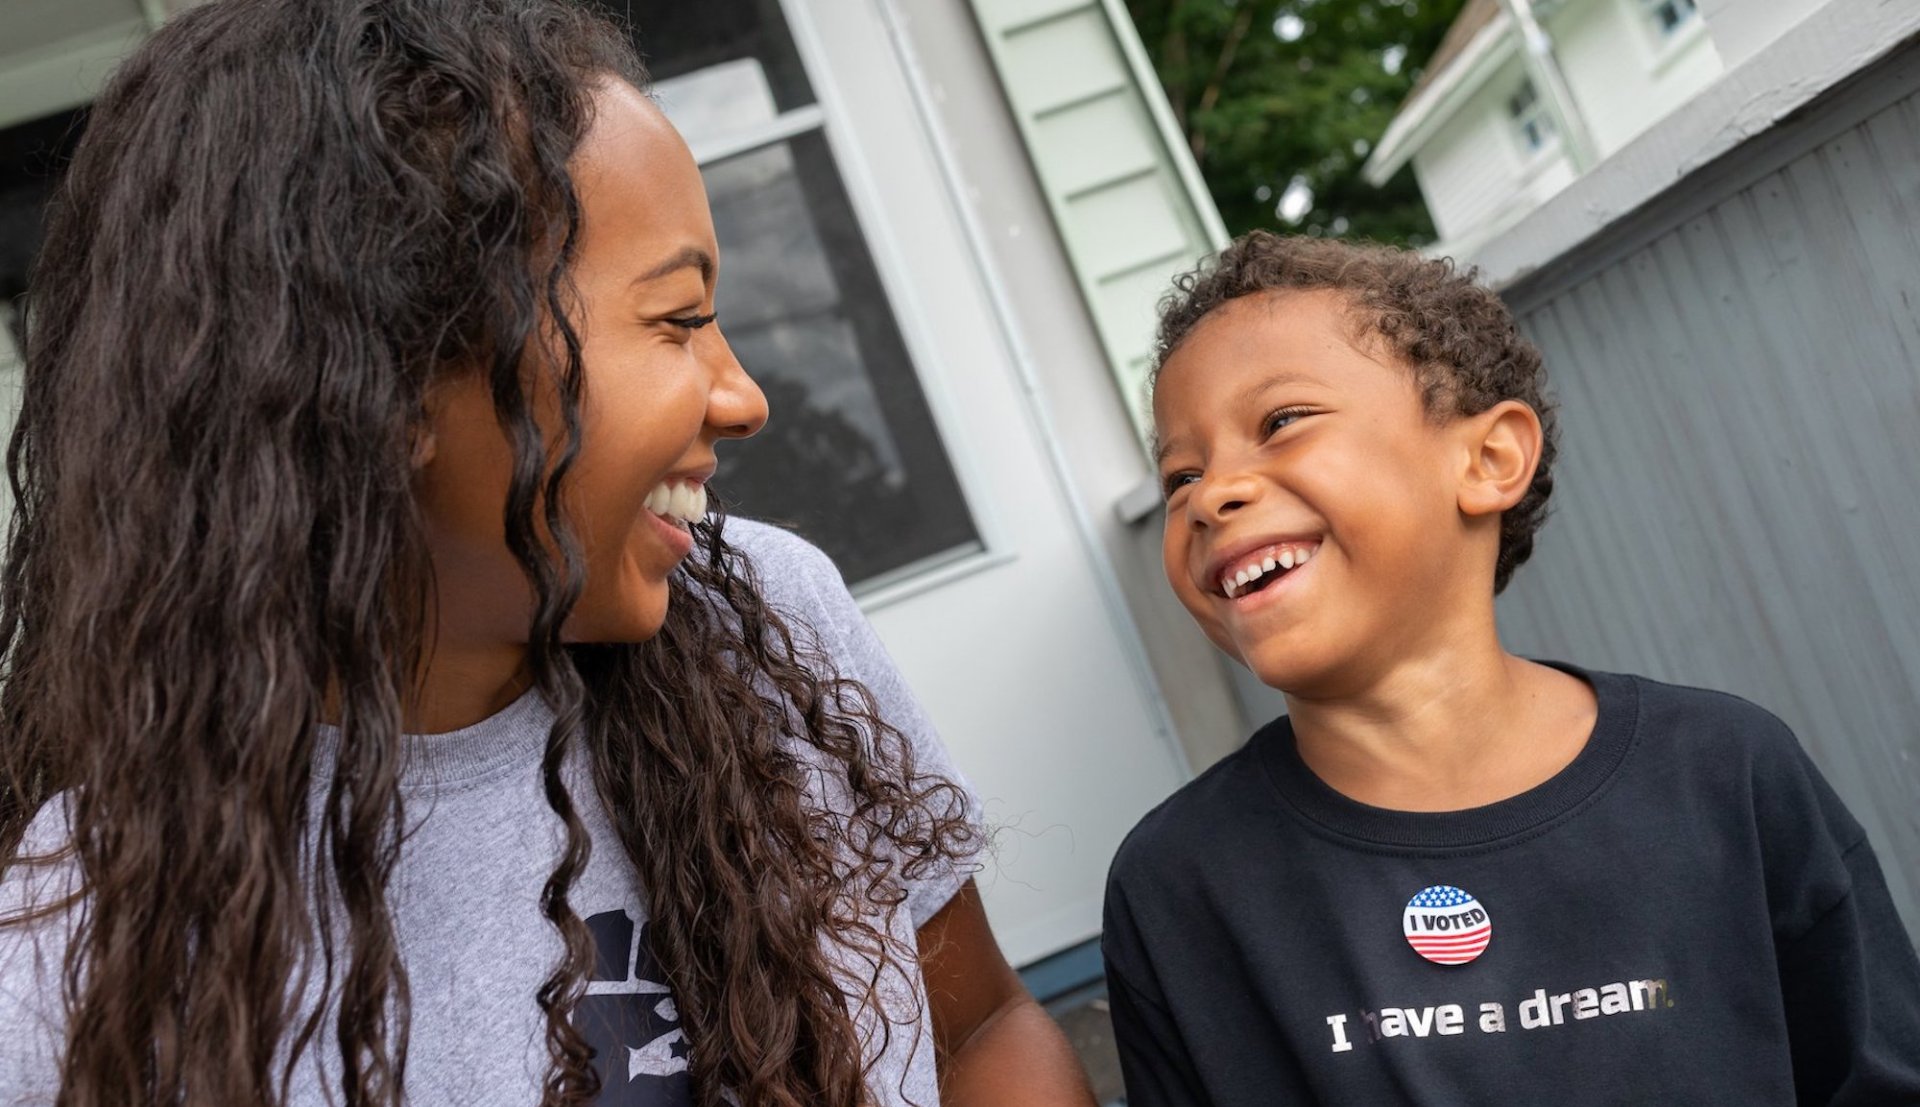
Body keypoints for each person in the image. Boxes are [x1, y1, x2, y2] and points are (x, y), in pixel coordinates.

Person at [0, 2, 1096, 1105]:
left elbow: (984, 1024)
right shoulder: (75, 955)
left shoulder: (765, 623)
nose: (744, 395)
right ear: (386, 379)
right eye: (675, 319)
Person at [1103, 231, 1920, 1105]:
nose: (1211, 494)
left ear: (1489, 460)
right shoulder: (1178, 885)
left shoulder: (1727, 770)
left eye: (1280, 422)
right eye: (1181, 474)